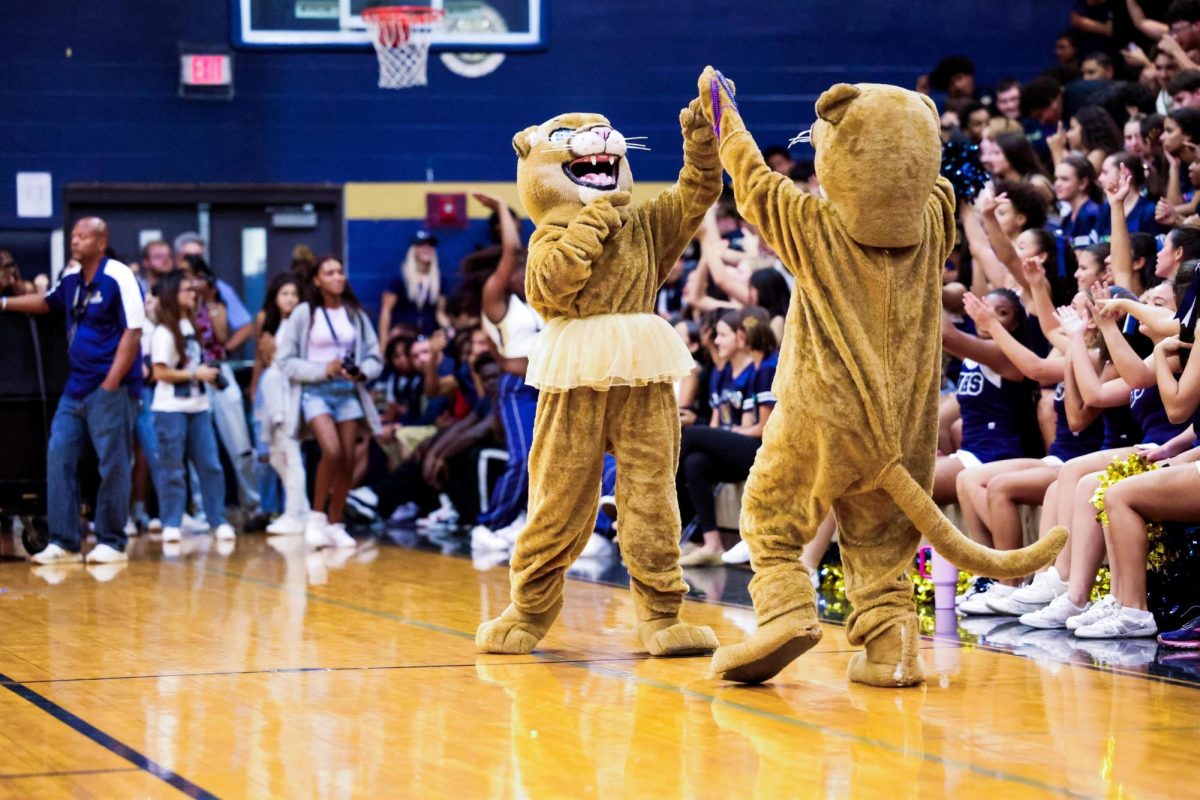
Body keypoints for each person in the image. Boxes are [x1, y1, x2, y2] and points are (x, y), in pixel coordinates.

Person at [3, 218, 144, 564]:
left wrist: (112, 381)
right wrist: (4, 303)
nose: (75, 241)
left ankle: (112, 540)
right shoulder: (71, 280)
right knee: (59, 455)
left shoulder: (119, 276)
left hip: (111, 387)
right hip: (75, 387)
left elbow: (134, 331)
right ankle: (64, 541)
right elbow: (46, 302)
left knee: (112, 463)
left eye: (82, 236)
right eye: (73, 236)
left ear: (101, 241)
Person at [276, 255, 383, 549]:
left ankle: (336, 522)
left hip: (347, 391)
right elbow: (285, 361)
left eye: (340, 272)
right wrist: (322, 369)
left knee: (348, 456)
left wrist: (362, 372)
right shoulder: (304, 313)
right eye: (330, 273)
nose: (338, 277)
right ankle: (316, 516)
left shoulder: (355, 314)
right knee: (332, 451)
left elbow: (375, 355)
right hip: (316, 391)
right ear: (317, 280)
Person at [470, 192, 543, 550]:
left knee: (552, 461)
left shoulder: (541, 303)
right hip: (517, 387)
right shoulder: (498, 303)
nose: (523, 272)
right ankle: (490, 524)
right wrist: (502, 209)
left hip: (548, 385)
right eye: (518, 269)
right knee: (523, 458)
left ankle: (530, 522)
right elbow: (512, 252)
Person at [677, 307, 777, 566]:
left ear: (742, 337)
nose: (716, 341)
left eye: (723, 335)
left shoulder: (765, 368)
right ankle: (712, 544)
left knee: (691, 436)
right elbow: (743, 422)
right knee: (695, 462)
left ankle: (657, 513)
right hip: (744, 444)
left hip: (765, 449)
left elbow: (763, 429)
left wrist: (726, 432)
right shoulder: (740, 372)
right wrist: (725, 431)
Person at [148, 271, 236, 544]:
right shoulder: (164, 332)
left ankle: (217, 519)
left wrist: (206, 376)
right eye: (186, 289)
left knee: (211, 465)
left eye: (192, 289)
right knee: (172, 468)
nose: (193, 293)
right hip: (170, 408)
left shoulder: (193, 327)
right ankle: (171, 522)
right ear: (172, 295)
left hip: (199, 407)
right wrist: (194, 375)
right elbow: (159, 373)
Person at [254, 274, 310, 535]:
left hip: (289, 393)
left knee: (290, 452)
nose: (290, 299)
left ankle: (293, 513)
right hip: (271, 391)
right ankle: (302, 509)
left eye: (294, 294)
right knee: (275, 455)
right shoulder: (274, 325)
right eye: (285, 293)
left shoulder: (302, 326)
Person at [379, 230, 443, 343]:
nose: (427, 249)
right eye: (422, 246)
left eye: (430, 246)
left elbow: (440, 312)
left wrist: (450, 329)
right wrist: (384, 341)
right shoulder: (401, 277)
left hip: (429, 336)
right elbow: (386, 311)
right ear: (413, 250)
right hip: (404, 335)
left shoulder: (438, 280)